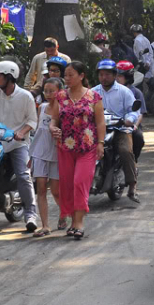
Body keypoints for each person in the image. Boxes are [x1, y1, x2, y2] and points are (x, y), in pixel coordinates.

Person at [49, 61, 105, 240]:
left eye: (70, 75)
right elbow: (54, 120)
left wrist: (101, 143)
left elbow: (100, 122)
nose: (67, 78)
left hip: (87, 148)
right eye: (65, 75)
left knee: (79, 182)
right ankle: (73, 221)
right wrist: (52, 128)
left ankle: (79, 223)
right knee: (67, 185)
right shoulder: (60, 96)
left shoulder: (93, 97)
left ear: (81, 76)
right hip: (65, 147)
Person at [0, 60, 39, 232]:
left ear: (9, 76)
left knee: (23, 175)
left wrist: (22, 133)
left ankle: (31, 213)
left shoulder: (25, 96)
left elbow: (32, 120)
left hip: (17, 144)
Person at [92, 60, 141, 203]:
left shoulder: (124, 92)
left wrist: (129, 119)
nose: (104, 77)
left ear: (114, 75)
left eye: (107, 74)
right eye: (101, 74)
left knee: (125, 151)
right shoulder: (93, 92)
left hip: (120, 128)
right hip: (98, 129)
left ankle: (132, 186)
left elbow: (134, 110)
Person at [28, 77, 65, 236]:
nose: (48, 94)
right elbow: (37, 132)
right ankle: (45, 225)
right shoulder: (41, 107)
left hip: (56, 154)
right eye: (46, 91)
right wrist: (31, 154)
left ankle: (64, 214)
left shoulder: (65, 110)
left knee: (56, 191)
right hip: (39, 153)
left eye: (52, 91)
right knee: (41, 188)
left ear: (60, 92)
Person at [116, 61, 146, 162]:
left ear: (128, 77)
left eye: (120, 76)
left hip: (130, 124)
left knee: (138, 138)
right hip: (113, 123)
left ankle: (134, 161)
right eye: (116, 75)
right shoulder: (112, 91)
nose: (117, 78)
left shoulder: (136, 93)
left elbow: (140, 113)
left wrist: (135, 126)